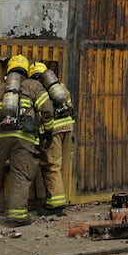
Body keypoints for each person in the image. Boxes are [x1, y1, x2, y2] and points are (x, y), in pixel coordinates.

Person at [0, 54, 53, 226]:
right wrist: (47, 131)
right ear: (26, 69)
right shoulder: (33, 86)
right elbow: (47, 109)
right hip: (24, 137)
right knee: (20, 175)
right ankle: (16, 215)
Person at [29, 61, 75, 215]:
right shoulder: (60, 87)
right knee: (63, 165)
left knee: (52, 165)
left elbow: (43, 113)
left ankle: (55, 205)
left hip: (53, 131)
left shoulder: (40, 90)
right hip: (68, 128)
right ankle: (62, 198)